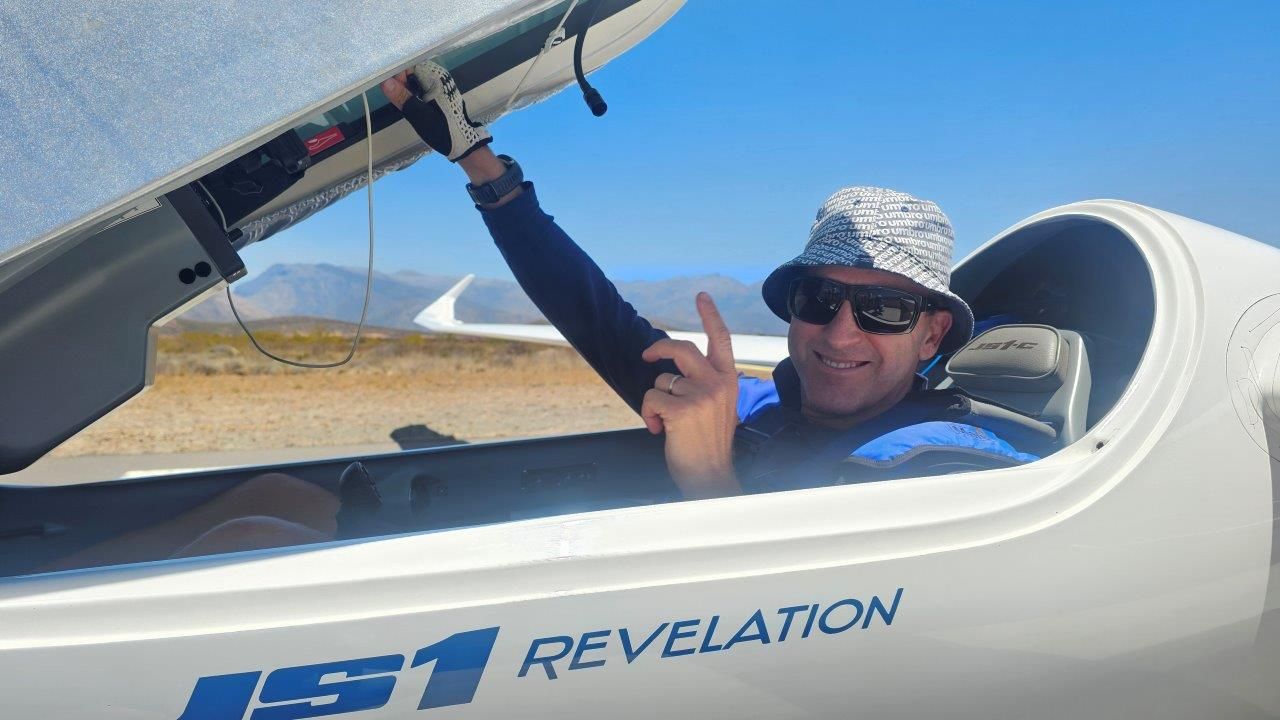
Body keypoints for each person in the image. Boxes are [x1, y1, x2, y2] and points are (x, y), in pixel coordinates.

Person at [378, 62, 1035, 499]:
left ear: (932, 336)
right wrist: (476, 159)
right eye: (820, 299)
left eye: (884, 309)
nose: (840, 333)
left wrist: (711, 480)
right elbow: (591, 314)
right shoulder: (747, 406)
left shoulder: (952, 471)